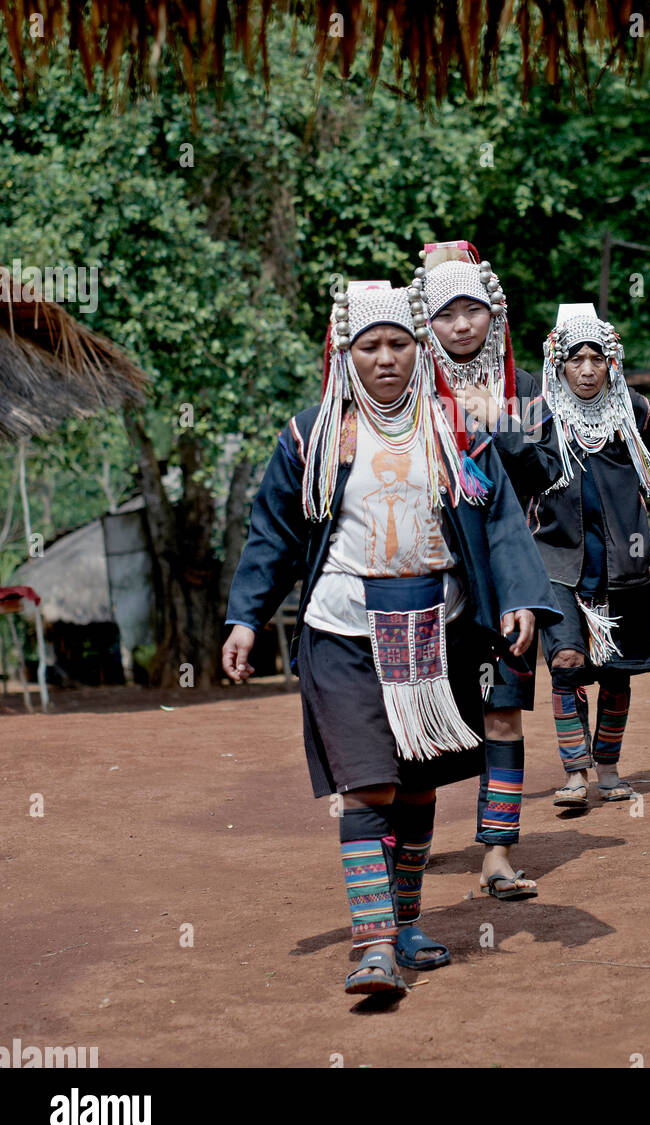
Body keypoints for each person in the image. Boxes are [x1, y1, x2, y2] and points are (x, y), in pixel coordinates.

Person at [221, 281, 560, 998]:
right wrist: (246, 616)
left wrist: (522, 596)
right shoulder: (314, 436)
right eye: (368, 346)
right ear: (345, 352)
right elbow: (273, 535)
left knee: (416, 786)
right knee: (369, 785)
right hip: (343, 633)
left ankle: (406, 924)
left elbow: (498, 520)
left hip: (436, 634)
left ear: (420, 349)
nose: (383, 359)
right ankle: (373, 945)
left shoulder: (456, 430)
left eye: (398, 345)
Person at [413, 241, 562, 901]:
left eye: (473, 308)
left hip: (506, 577)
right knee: (415, 718)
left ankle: (497, 852)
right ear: (429, 322)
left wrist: (496, 421)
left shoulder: (523, 389)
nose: (463, 324)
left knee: (503, 714)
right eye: (448, 313)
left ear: (492, 314)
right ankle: (398, 848)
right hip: (427, 582)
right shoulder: (406, 387)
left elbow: (545, 472)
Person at [528, 303, 650, 808]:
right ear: (560, 365)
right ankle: (576, 772)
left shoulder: (629, 415)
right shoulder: (541, 417)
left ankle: (610, 770)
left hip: (623, 565)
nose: (589, 369)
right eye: (577, 359)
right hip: (558, 563)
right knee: (567, 661)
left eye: (599, 358)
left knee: (617, 674)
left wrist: (628, 397)